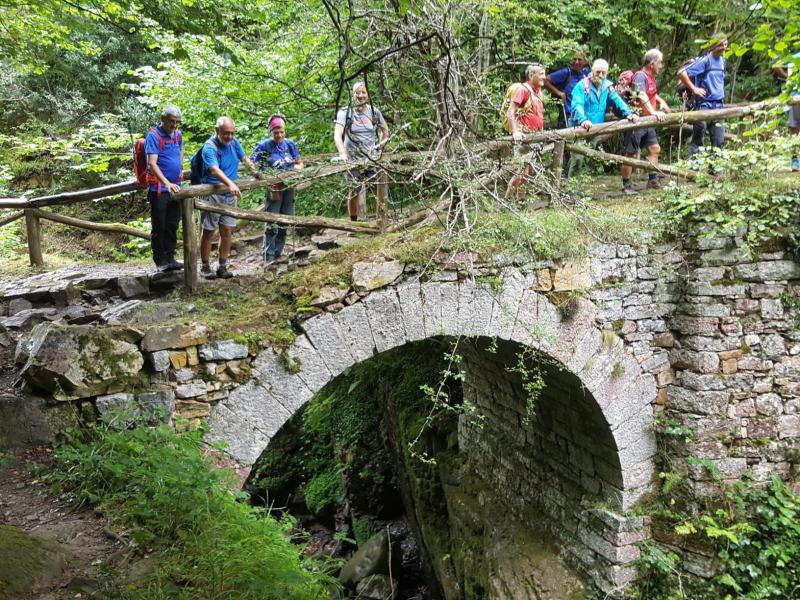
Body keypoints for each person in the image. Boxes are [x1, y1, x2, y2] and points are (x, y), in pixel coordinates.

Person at [198, 116, 264, 280]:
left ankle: (222, 266)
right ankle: (205, 266)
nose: (229, 136)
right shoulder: (209, 147)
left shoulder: (234, 143)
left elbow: (244, 159)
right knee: (208, 231)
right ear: (217, 131)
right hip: (211, 194)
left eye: (232, 133)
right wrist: (231, 184)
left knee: (227, 230)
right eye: (226, 133)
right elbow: (214, 170)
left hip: (229, 195)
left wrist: (256, 172)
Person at [569, 59, 639, 178]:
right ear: (592, 71)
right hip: (580, 128)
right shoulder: (582, 86)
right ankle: (570, 189)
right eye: (598, 72)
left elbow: (617, 100)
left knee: (586, 158)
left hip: (595, 129)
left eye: (604, 73)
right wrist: (583, 120)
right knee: (578, 158)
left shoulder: (607, 86)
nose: (601, 76)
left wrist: (628, 113)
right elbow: (577, 105)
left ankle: (577, 187)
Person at [251, 115, 304, 264]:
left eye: (281, 132)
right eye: (276, 132)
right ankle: (269, 256)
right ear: (270, 132)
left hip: (289, 186)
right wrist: (262, 176)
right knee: (272, 221)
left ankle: (278, 253)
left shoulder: (290, 145)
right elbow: (252, 164)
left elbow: (299, 163)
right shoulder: (263, 146)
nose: (279, 135)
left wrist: (296, 170)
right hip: (273, 189)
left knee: (285, 220)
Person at [334, 82, 390, 221]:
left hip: (371, 158)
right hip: (352, 159)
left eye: (363, 92)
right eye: (357, 93)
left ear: (368, 95)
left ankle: (380, 221)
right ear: (352, 95)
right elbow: (337, 134)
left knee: (378, 189)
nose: (360, 95)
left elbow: (385, 131)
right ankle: (353, 224)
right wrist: (342, 153)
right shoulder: (345, 112)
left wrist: (380, 149)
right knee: (354, 191)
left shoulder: (374, 112)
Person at [620, 49, 671, 194]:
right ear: (652, 63)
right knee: (630, 153)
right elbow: (641, 95)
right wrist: (654, 112)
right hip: (638, 120)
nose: (661, 66)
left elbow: (652, 93)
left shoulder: (650, 78)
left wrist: (661, 102)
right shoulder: (640, 77)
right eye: (660, 63)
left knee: (654, 149)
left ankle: (652, 179)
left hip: (649, 122)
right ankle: (626, 185)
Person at [145, 105, 184, 272]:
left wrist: (180, 168)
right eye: (171, 122)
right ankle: (160, 261)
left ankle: (170, 258)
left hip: (176, 188)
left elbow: (181, 151)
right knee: (159, 225)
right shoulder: (153, 136)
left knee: (172, 224)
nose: (174, 125)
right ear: (163, 119)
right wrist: (167, 183)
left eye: (177, 122)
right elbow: (152, 163)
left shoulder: (178, 135)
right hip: (159, 189)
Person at [678, 34, 728, 160]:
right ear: (712, 45)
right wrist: (694, 88)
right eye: (720, 44)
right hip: (703, 105)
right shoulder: (705, 61)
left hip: (719, 106)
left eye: (725, 44)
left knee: (718, 140)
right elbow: (681, 73)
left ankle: (715, 171)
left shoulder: (723, 62)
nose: (723, 47)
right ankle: (693, 169)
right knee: (698, 138)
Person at [505, 64, 546, 198]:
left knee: (528, 172)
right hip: (524, 137)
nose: (544, 77)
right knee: (522, 170)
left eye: (544, 74)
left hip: (535, 136)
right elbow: (511, 111)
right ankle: (507, 200)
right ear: (530, 76)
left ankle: (520, 200)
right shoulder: (522, 90)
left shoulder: (538, 92)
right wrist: (515, 131)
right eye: (541, 74)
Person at [544, 50, 590, 128]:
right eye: (574, 59)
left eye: (579, 59)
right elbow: (545, 80)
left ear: (585, 62)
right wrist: (559, 93)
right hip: (568, 115)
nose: (576, 62)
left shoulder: (585, 74)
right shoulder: (566, 72)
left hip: (584, 115)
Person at [771, 54, 800, 172]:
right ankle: (795, 160)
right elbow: (776, 66)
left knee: (794, 128)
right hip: (794, 96)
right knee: (794, 128)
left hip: (793, 96)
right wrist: (788, 77)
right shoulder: (795, 56)